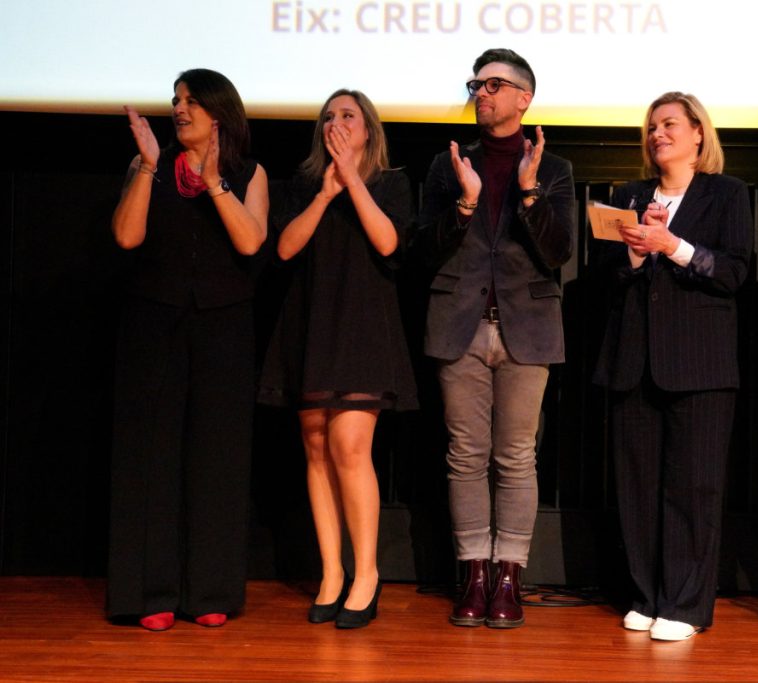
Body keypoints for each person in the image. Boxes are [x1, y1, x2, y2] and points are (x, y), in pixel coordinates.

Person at [415, 48, 575, 629]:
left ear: (523, 98)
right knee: (465, 455)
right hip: (459, 323)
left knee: (515, 456)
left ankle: (509, 575)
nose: (480, 93)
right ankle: (474, 574)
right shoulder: (448, 163)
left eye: (493, 85)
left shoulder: (553, 168)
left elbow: (558, 252)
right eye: (475, 85)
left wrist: (530, 192)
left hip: (525, 327)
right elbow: (424, 249)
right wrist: (465, 202)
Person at [107, 68, 269, 631]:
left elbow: (250, 241)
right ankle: (150, 592)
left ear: (219, 113)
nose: (179, 109)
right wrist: (148, 166)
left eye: (192, 101)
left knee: (217, 456)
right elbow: (126, 236)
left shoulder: (249, 172)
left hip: (224, 326)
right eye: (176, 100)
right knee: (152, 455)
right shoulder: (147, 165)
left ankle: (209, 590)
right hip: (154, 322)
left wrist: (215, 182)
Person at [592, 92, 752, 641]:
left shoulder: (726, 194)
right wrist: (636, 252)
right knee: (636, 488)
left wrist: (673, 245)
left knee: (693, 489)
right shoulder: (628, 196)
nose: (657, 134)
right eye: (652, 126)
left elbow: (733, 273)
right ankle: (645, 596)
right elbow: (606, 277)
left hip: (700, 364)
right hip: (633, 361)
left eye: (669, 124)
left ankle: (684, 605)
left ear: (698, 133)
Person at [258, 89, 416, 629]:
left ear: (368, 129)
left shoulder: (390, 182)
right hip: (311, 323)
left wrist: (352, 180)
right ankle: (331, 572)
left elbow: (389, 243)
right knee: (316, 446)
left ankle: (366, 573)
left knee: (350, 445)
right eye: (329, 116)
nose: (337, 123)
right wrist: (326, 193)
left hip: (363, 325)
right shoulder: (304, 184)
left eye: (348, 115)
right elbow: (284, 248)